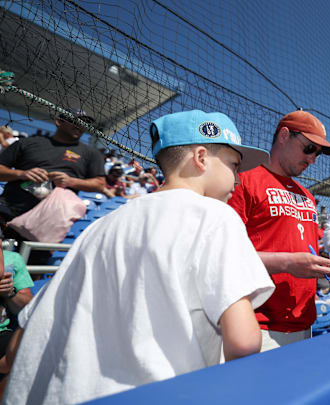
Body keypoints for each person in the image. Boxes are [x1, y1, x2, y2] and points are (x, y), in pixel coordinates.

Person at [3, 110, 276, 404]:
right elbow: (244, 342)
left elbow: (25, 336)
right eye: (234, 165)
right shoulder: (216, 215)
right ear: (200, 157)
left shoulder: (100, 225)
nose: (238, 178)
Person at [228, 110, 330, 351]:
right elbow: (225, 256)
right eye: (309, 148)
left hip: (303, 322)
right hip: (256, 324)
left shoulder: (306, 195)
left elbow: (302, 251)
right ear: (284, 135)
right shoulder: (243, 179)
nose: (313, 158)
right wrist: (286, 263)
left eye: (318, 153)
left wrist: (328, 265)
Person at [0, 109, 105, 223]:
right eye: (76, 121)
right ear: (59, 122)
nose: (80, 126)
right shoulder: (26, 142)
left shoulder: (91, 153)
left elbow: (100, 184)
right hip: (10, 209)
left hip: (51, 220)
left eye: (85, 123)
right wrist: (22, 174)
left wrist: (70, 181)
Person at [0, 249, 33, 359]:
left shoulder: (12, 259)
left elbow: (28, 308)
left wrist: (9, 293)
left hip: (2, 334)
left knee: (28, 351)